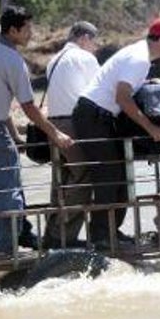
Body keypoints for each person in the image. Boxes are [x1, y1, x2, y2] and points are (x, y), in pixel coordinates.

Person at [0, 5, 72, 258]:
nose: (31, 33)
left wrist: (14, 135)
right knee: (9, 191)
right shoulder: (12, 60)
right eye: (27, 28)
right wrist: (56, 134)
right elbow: (29, 107)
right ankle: (5, 252)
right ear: (13, 30)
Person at [72, 16, 160, 248]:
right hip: (93, 116)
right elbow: (123, 98)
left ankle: (111, 231)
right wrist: (151, 128)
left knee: (121, 178)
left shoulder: (139, 56)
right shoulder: (139, 59)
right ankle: (101, 238)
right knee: (109, 177)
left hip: (100, 117)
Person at [41, 21, 100, 249]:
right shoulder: (84, 58)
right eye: (94, 41)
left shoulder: (53, 60)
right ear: (85, 37)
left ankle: (52, 235)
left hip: (53, 124)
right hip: (73, 124)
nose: (94, 47)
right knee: (84, 177)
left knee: (62, 180)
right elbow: (98, 90)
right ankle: (62, 236)